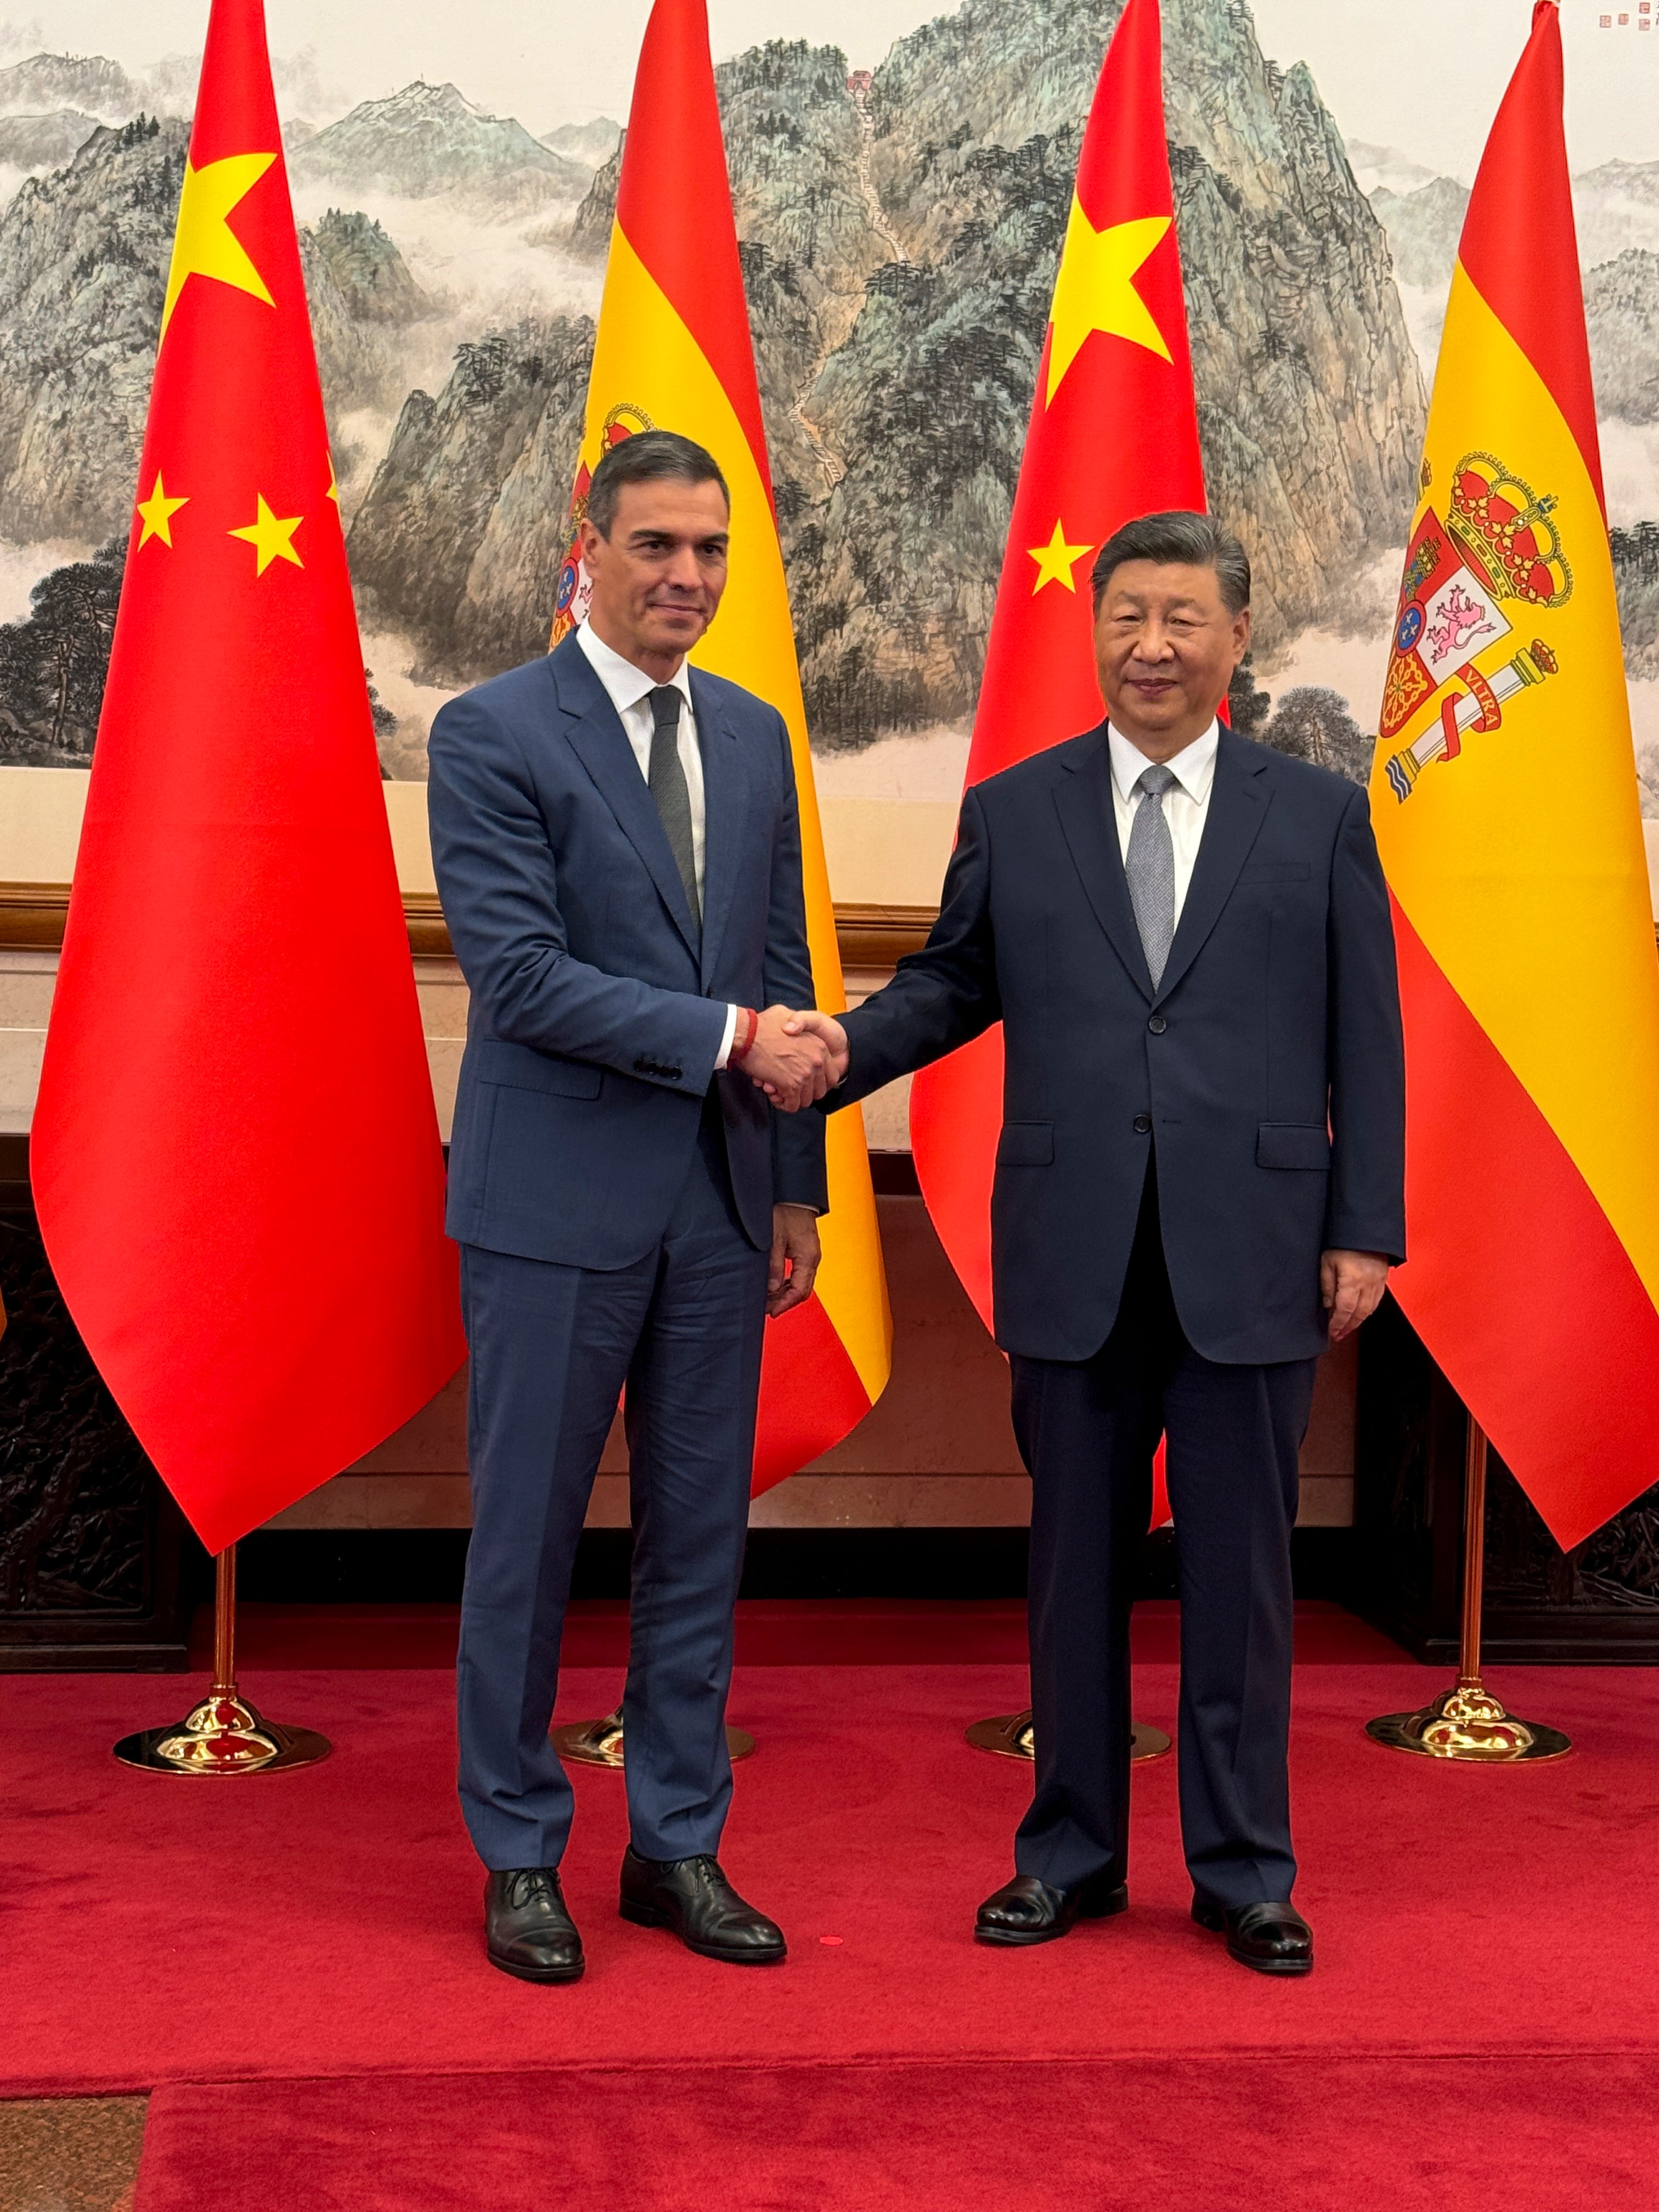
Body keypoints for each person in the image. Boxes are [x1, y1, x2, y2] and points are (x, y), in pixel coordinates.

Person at [787, 511, 1405, 1976]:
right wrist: (835, 1053)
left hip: (1256, 1250)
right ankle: (1067, 1857)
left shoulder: (1314, 815)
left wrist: (1364, 1227)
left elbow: (1367, 1042)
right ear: (1094, 629)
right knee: (1073, 1567)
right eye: (1127, 615)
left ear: (1236, 640)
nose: (1152, 645)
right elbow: (949, 990)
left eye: (1184, 618)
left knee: (1245, 1579)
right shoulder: (1019, 810)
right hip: (1071, 1251)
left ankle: (1245, 1868)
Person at [427, 430, 836, 1983]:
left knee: (697, 1544)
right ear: (584, 549)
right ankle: (520, 1849)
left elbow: (782, 963)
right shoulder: (490, 734)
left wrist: (793, 1180)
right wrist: (732, 1041)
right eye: (656, 544)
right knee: (525, 1543)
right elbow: (522, 979)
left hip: (724, 1207)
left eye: (710, 551)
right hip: (550, 1206)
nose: (686, 576)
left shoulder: (750, 735)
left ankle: (674, 1840)